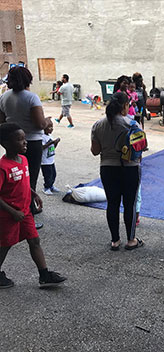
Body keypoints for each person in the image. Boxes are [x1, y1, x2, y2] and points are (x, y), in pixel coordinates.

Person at [0, 123, 67, 288]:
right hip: (9, 215)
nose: (25, 142)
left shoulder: (23, 160)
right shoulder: (2, 167)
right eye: (19, 140)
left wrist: (33, 193)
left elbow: (23, 182)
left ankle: (44, 274)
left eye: (24, 138)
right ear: (5, 144)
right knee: (5, 245)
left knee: (34, 240)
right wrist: (12, 212)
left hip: (25, 212)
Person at [91, 92, 144, 251]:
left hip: (107, 168)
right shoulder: (132, 124)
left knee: (112, 204)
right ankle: (131, 239)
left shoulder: (98, 125)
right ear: (124, 106)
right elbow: (141, 149)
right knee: (130, 204)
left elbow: (95, 151)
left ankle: (115, 240)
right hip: (129, 169)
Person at [0, 66, 48, 229]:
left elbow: (2, 122)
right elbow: (40, 123)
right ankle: (29, 217)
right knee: (29, 179)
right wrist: (47, 122)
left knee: (16, 178)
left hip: (11, 141)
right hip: (32, 143)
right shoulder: (31, 98)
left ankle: (20, 209)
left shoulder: (4, 97)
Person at [41, 118, 60, 195]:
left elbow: (53, 147)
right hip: (45, 161)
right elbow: (42, 147)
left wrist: (56, 142)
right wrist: (50, 143)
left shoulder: (50, 136)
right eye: (49, 127)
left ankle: (51, 186)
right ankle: (46, 187)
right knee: (47, 175)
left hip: (51, 159)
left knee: (53, 174)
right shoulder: (42, 137)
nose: (51, 129)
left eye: (52, 127)